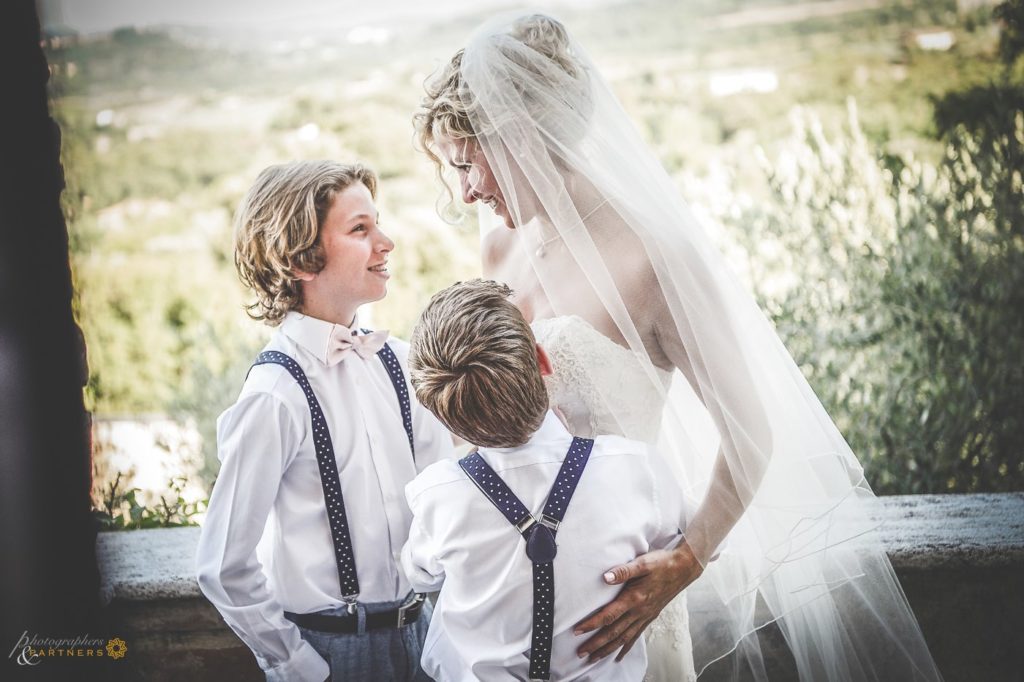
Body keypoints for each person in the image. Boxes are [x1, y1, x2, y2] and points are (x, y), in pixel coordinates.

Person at [414, 13, 942, 681]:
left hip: (623, 600)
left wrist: (687, 561)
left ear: (519, 135)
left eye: (467, 164)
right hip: (510, 603)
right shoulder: (499, 247)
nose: (465, 192)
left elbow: (750, 431)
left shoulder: (655, 255)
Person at [195, 160, 454, 681]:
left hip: (424, 637)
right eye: (360, 229)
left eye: (377, 223)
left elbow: (445, 504)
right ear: (301, 260)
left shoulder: (400, 364)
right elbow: (223, 565)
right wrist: (298, 665)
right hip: (332, 650)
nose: (387, 242)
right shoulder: (276, 393)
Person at [401, 278, 694, 681]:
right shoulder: (634, 467)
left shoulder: (438, 495)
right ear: (542, 361)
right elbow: (697, 542)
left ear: (444, 415)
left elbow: (419, 574)